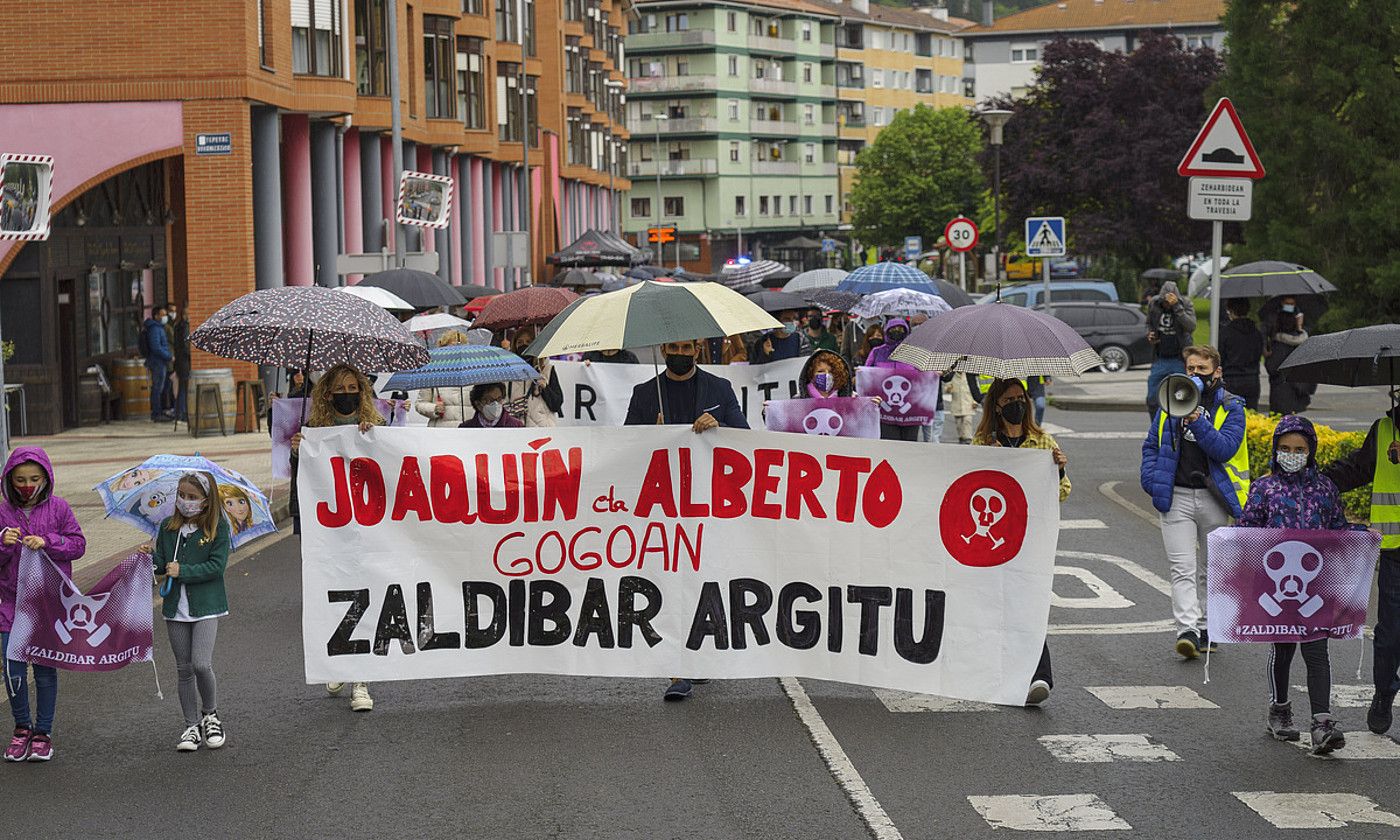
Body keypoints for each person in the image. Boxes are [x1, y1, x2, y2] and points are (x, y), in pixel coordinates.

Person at [624, 339, 746, 702]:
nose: (680, 353)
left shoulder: (719, 389)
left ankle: (699, 653)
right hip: (664, 503)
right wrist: (651, 431)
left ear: (696, 351)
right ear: (663, 352)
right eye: (673, 348)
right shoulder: (646, 393)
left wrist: (719, 423)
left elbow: (746, 436)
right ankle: (678, 669)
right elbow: (624, 444)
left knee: (704, 578)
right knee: (671, 578)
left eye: (687, 348)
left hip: (707, 502)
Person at [1238, 416, 1361, 755]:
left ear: (1311, 451)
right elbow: (1247, 532)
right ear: (1276, 450)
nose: (1291, 454)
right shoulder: (1265, 488)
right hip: (1276, 587)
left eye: (1299, 449)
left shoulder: (1325, 488)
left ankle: (1321, 723)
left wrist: (1359, 537)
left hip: (1316, 588)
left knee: (1317, 651)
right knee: (1284, 648)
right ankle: (1279, 709)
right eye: (1285, 448)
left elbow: (1338, 529)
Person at [1140, 345, 1250, 660]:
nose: (1196, 375)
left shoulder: (1232, 408)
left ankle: (1206, 628)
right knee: (1182, 567)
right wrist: (1151, 480)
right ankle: (1186, 631)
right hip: (1176, 496)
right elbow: (1151, 444)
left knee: (1210, 569)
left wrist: (1197, 419)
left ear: (1217, 372)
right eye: (1191, 369)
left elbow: (1225, 449)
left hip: (1214, 498)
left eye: (1202, 369)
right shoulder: (1170, 404)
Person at [289, 364, 383, 713]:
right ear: (327, 394)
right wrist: (299, 449)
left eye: (352, 386)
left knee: (365, 596)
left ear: (362, 390)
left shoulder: (376, 426)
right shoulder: (315, 430)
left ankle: (361, 680)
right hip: (331, 530)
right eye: (339, 388)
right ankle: (341, 663)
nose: (347, 393)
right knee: (335, 596)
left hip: (368, 526)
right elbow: (305, 480)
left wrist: (374, 439)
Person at [972, 379, 1068, 706]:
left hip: (1030, 540)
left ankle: (1039, 676)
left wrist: (1058, 470)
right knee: (994, 609)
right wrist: (989, 460)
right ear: (996, 406)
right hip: (993, 542)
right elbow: (970, 486)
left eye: (1021, 398)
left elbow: (1062, 493)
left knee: (1029, 607)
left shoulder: (1042, 442)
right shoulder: (983, 442)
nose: (1017, 403)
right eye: (1009, 398)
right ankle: (995, 675)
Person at [0, 446, 85, 762]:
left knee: (46, 671)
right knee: (13, 669)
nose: (27, 485)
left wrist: (49, 541)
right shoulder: (2, 513)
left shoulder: (60, 508)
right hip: (11, 606)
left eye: (34, 478)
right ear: (9, 480)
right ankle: (22, 728)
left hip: (49, 605)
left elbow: (78, 545)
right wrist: (3, 544)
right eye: (20, 479)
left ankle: (43, 733)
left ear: (46, 478)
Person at [1323, 398, 1400, 736]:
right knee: (1389, 634)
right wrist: (1315, 478)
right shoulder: (1385, 430)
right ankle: (1384, 692)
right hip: (1395, 550)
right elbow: (1357, 468)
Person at [151, 472, 231, 753]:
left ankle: (210, 714)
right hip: (175, 608)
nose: (185, 502)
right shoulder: (167, 528)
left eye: (193, 497)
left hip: (207, 607)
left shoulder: (218, 528)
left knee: (200, 664)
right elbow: (160, 564)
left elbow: (216, 567)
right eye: (182, 496)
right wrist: (149, 558)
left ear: (206, 501)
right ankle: (190, 725)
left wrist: (183, 570)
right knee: (183, 669)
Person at [865, 318, 921, 442]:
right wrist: (860, 375)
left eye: (901, 329)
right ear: (886, 331)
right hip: (884, 411)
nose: (897, 332)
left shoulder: (914, 354)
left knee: (910, 447)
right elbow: (867, 374)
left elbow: (922, 378)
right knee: (889, 446)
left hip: (910, 412)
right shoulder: (877, 352)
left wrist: (932, 375)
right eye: (893, 329)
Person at [1144, 282, 1196, 415]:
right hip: (1160, 357)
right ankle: (1156, 427)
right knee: (1152, 398)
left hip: (1180, 357)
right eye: (1165, 303)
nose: (1167, 305)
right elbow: (1149, 323)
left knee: (1182, 398)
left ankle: (1179, 427)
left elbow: (1191, 327)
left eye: (1169, 302)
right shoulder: (1154, 304)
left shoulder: (1185, 304)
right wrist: (1149, 334)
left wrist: (1177, 307)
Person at [415, 332, 477, 427]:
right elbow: (420, 403)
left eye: (460, 346)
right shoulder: (433, 373)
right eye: (452, 346)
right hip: (441, 433)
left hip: (468, 431)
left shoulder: (475, 373)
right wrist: (434, 408)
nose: (456, 351)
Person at [507, 329, 563, 427]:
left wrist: (545, 388)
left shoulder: (547, 370)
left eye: (529, 342)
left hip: (542, 429)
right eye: (520, 342)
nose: (524, 345)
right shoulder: (507, 373)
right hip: (516, 430)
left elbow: (556, 405)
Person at [1265, 297, 1312, 414]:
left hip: (1280, 394)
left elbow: (1272, 368)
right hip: (1298, 393)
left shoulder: (1278, 344)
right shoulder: (1303, 344)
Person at [1220, 299, 1265, 411]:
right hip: (1252, 378)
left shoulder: (1226, 332)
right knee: (1252, 414)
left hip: (1231, 378)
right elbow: (1259, 352)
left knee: (1231, 415)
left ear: (1231, 311)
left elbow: (1221, 355)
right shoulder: (1256, 332)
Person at [142, 305, 174, 421]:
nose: (165, 317)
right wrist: (169, 356)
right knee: (157, 388)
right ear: (156, 316)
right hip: (157, 362)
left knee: (160, 387)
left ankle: (159, 411)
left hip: (160, 361)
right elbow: (156, 347)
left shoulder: (158, 327)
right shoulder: (155, 329)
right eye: (163, 315)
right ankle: (156, 413)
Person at [459, 383, 524, 428]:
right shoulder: (466, 428)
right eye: (490, 400)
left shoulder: (517, 426)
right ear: (478, 404)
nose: (495, 404)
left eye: (499, 399)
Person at [167, 302, 191, 421]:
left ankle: (179, 411)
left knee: (181, 388)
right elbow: (186, 346)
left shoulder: (177, 326)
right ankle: (182, 412)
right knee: (184, 388)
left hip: (179, 362)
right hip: (185, 362)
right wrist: (191, 356)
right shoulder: (185, 327)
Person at [946, 370, 979, 445]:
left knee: (967, 420)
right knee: (959, 423)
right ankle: (961, 437)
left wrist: (975, 401)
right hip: (957, 403)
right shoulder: (953, 376)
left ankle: (968, 438)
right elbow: (947, 389)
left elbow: (976, 388)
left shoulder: (969, 376)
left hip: (967, 402)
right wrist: (949, 389)